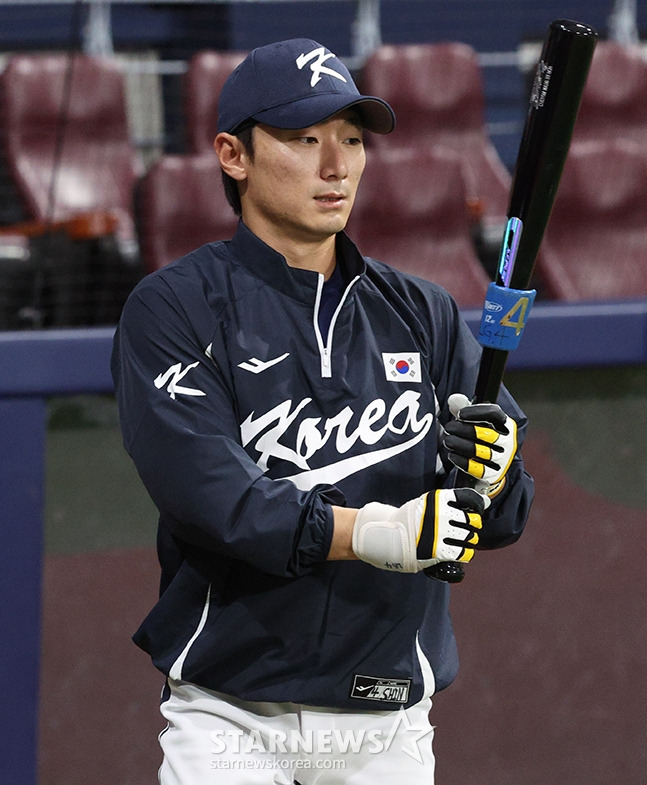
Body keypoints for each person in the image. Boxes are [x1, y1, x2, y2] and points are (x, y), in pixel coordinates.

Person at [111, 38, 534, 785]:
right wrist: (376, 529)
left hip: (388, 720)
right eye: (304, 140)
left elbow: (498, 518)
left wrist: (493, 475)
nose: (336, 166)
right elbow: (213, 498)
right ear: (232, 156)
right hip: (231, 713)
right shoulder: (173, 307)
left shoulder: (422, 312)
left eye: (350, 140)